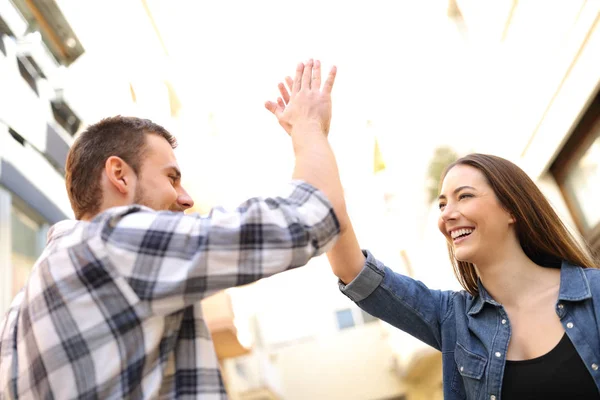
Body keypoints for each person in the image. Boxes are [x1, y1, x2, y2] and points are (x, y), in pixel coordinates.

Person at [0, 59, 349, 399]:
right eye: (171, 177)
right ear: (119, 175)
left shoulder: (18, 315)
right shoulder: (116, 242)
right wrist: (309, 127)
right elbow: (310, 215)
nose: (185, 199)